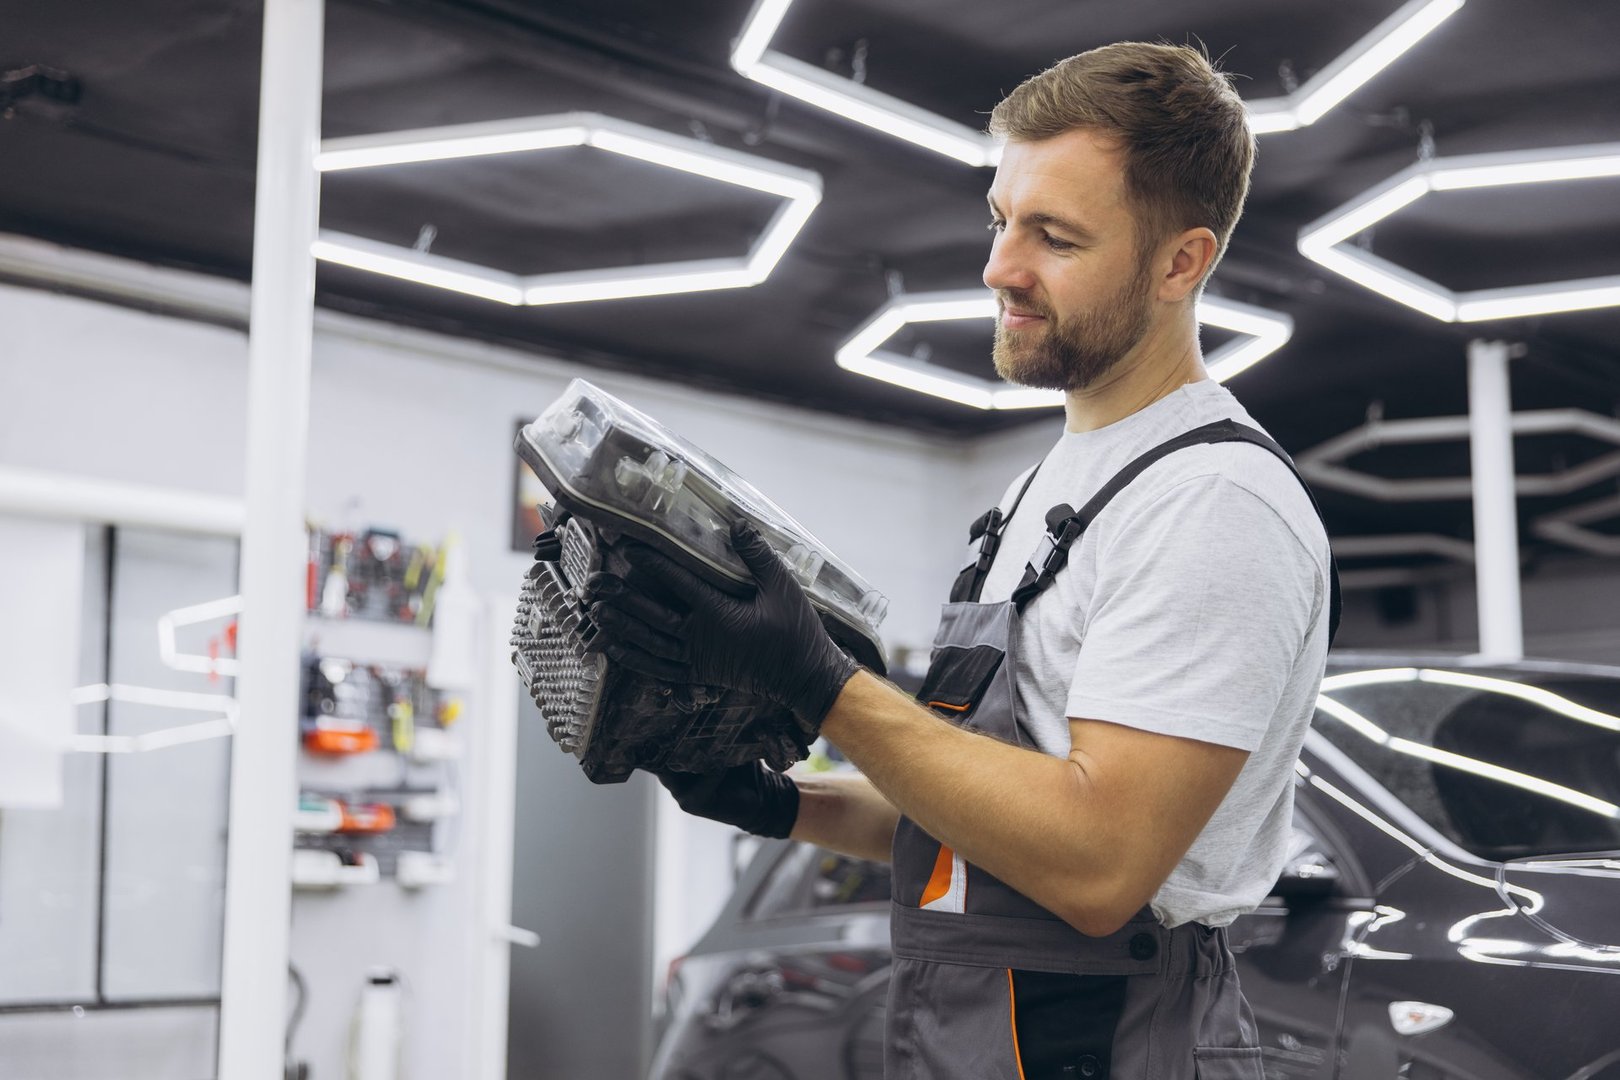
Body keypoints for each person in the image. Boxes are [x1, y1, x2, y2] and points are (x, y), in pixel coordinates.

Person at [584, 41, 1338, 1080]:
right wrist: (776, 802)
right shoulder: (1041, 493)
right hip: (980, 1026)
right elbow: (985, 815)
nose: (999, 268)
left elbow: (1096, 863)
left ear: (1182, 262)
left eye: (1055, 237)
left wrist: (821, 683)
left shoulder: (1209, 503)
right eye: (1001, 220)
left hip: (1113, 1039)